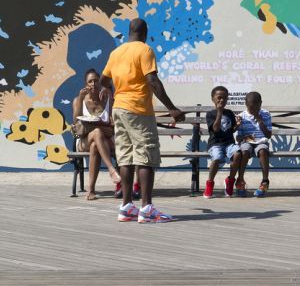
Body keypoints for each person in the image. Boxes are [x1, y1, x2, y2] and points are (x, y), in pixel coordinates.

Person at [100, 18, 185, 223]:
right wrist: (172, 108)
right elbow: (152, 81)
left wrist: (111, 92)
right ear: (145, 32)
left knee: (126, 158)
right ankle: (146, 209)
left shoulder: (116, 53)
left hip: (119, 109)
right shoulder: (145, 50)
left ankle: (126, 207)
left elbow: (104, 80)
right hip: (138, 110)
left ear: (129, 32)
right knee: (145, 155)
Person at [72, 68, 120, 200]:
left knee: (95, 145)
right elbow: (76, 122)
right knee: (97, 132)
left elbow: (112, 125)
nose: (93, 84)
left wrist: (110, 97)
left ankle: (91, 191)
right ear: (85, 84)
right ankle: (111, 169)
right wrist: (81, 98)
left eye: (96, 81)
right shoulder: (78, 100)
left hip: (104, 140)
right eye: (90, 81)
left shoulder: (107, 99)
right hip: (83, 141)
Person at [203, 86, 241, 198]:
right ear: (213, 99)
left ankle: (230, 181)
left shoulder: (229, 113)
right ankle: (210, 183)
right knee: (217, 158)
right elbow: (215, 129)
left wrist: (237, 126)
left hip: (229, 143)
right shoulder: (210, 114)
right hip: (215, 144)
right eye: (219, 98)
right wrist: (219, 112)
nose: (222, 100)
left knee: (238, 154)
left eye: (225, 98)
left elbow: (232, 129)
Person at [236, 92, 272, 197]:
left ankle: (265, 181)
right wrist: (244, 136)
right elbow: (238, 138)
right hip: (247, 142)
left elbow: (268, 135)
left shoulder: (266, 114)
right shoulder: (241, 116)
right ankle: (240, 180)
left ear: (260, 104)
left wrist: (261, 121)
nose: (254, 111)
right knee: (244, 151)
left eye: (256, 108)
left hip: (261, 141)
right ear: (246, 104)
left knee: (263, 151)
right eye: (251, 108)